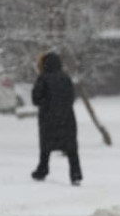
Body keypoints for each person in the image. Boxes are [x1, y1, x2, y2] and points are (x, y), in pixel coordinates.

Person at [30, 52, 82, 186]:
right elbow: (72, 97)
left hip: (48, 118)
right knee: (71, 148)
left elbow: (36, 99)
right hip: (66, 118)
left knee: (46, 146)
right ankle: (75, 174)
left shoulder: (43, 78)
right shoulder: (65, 78)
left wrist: (46, 103)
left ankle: (43, 169)